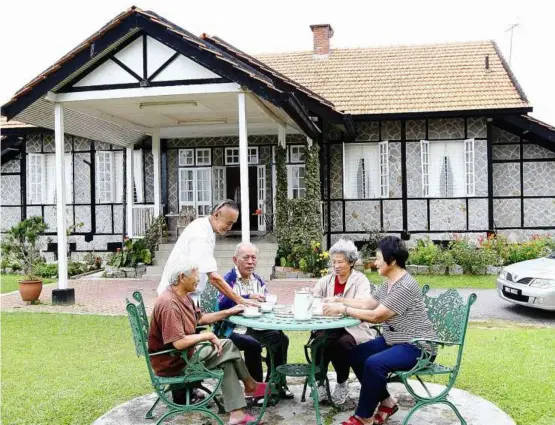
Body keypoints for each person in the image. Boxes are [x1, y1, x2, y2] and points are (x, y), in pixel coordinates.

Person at [323, 236, 437, 425]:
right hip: (395, 340)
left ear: (391, 261)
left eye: (378, 258)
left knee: (374, 363)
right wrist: (340, 300)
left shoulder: (405, 286)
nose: (374, 263)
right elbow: (367, 304)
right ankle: (386, 401)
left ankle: (364, 417)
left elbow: (377, 316)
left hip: (417, 346)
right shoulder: (390, 283)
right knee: (357, 355)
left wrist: (342, 309)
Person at [148, 261, 268, 425]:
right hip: (173, 361)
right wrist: (207, 336)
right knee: (226, 345)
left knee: (226, 359)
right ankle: (250, 384)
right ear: (182, 277)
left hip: (184, 354)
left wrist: (229, 311)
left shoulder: (182, 295)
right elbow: (178, 343)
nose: (199, 279)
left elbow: (201, 318)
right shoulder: (170, 304)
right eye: (196, 275)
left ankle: (237, 414)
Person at [217, 242, 293, 399]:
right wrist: (246, 297)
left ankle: (276, 383)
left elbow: (266, 301)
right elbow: (220, 304)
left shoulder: (257, 279)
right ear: (235, 259)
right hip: (232, 329)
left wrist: (266, 301)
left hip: (256, 326)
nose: (250, 262)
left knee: (281, 339)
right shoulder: (228, 280)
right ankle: (256, 389)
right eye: (246, 258)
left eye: (253, 258)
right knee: (252, 343)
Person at [310, 239, 377, 405]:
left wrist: (339, 302)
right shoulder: (327, 280)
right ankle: (320, 383)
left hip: (353, 326)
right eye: (334, 262)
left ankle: (341, 383)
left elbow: (363, 303)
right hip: (328, 325)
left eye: (340, 262)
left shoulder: (360, 280)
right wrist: (312, 298)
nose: (336, 266)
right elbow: (314, 297)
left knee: (342, 344)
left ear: (351, 262)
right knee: (318, 343)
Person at [157, 199, 257, 308]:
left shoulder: (208, 228)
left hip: (185, 296)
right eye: (229, 223)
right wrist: (240, 299)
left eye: (232, 224)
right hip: (174, 298)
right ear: (216, 215)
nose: (230, 228)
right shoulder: (200, 234)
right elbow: (213, 277)